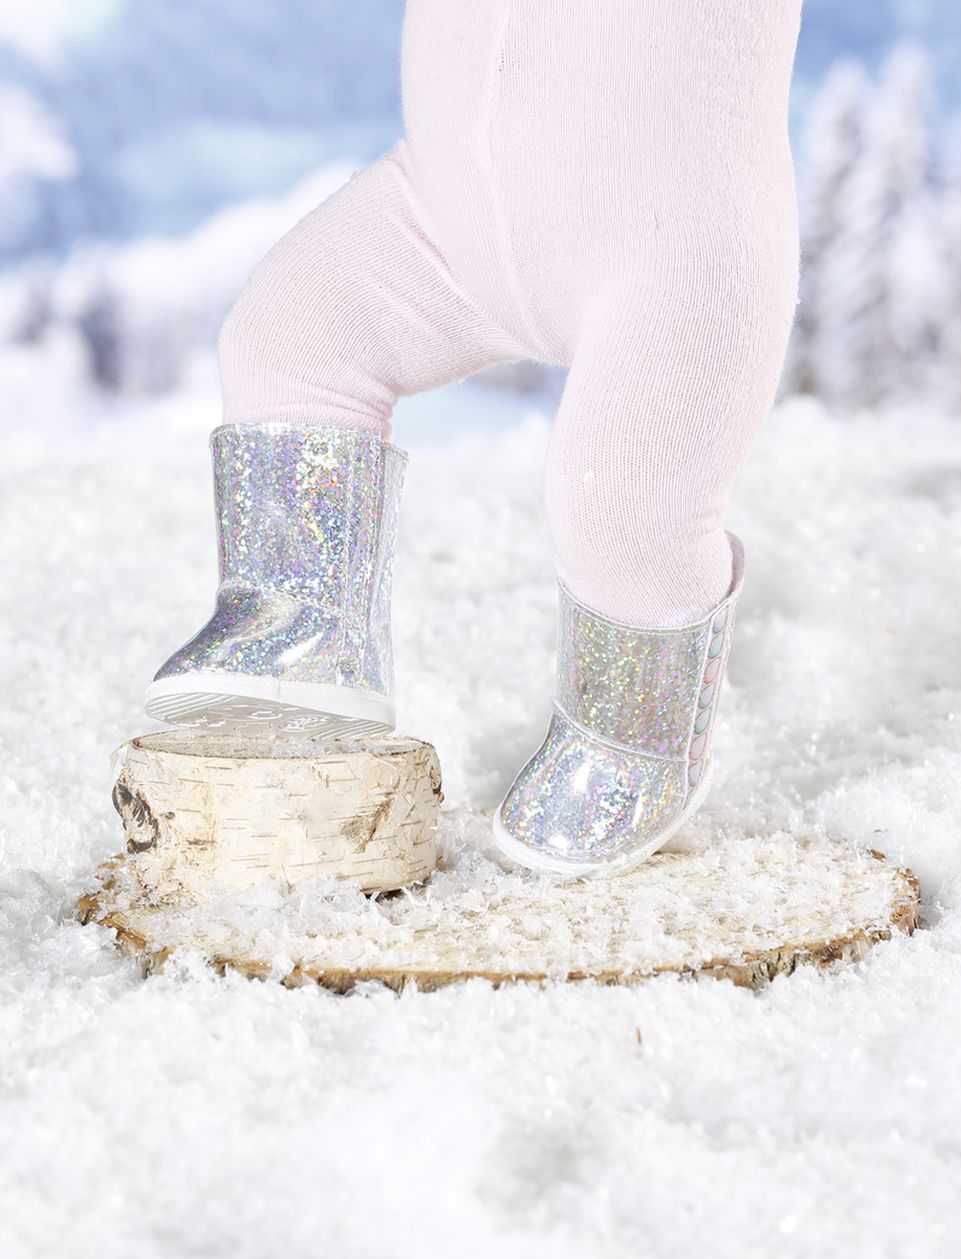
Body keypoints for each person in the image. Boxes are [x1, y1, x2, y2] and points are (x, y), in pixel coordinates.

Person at [145, 0, 803, 880]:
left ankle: (630, 737)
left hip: (675, 247)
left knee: (623, 507)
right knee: (286, 338)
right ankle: (301, 613)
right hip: (444, 216)